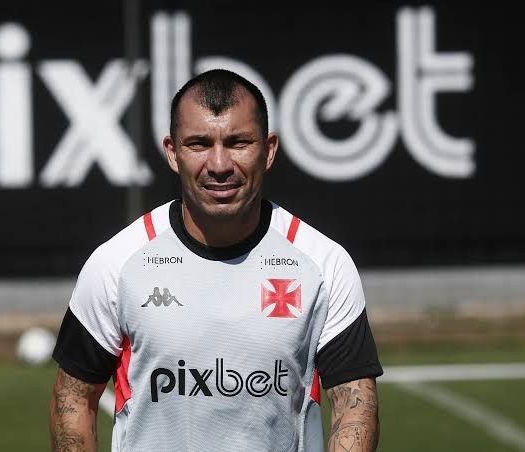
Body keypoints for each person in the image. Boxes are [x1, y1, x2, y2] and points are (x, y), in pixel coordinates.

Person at [49, 69, 383, 452]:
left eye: (239, 142)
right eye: (199, 144)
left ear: (268, 150)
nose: (220, 164)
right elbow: (71, 399)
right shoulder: (117, 263)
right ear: (172, 152)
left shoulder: (323, 264)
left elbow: (355, 408)